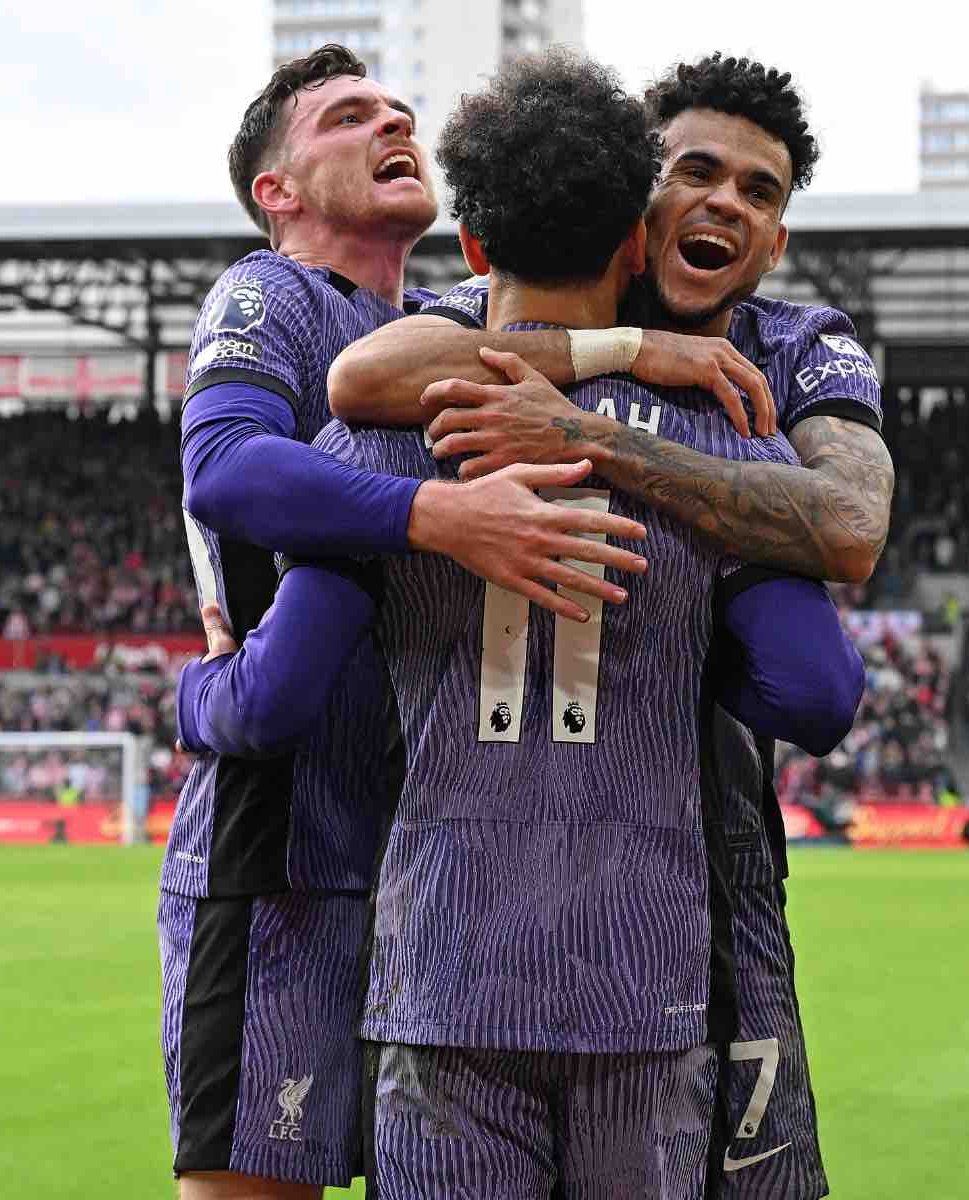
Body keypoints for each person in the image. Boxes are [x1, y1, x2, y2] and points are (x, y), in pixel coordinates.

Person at [181, 51, 865, 1197]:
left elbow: (282, 686)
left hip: (440, 979)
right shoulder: (725, 439)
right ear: (632, 247)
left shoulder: (391, 435)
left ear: (477, 250)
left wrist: (194, 688)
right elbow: (815, 695)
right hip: (647, 980)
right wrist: (688, 645)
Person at [159, 44, 651, 1200]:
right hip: (277, 846)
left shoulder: (439, 327)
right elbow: (224, 471)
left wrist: (648, 344)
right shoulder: (266, 293)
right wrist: (434, 512)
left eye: (397, 109)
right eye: (344, 117)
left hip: (417, 867)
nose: (390, 124)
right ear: (275, 191)